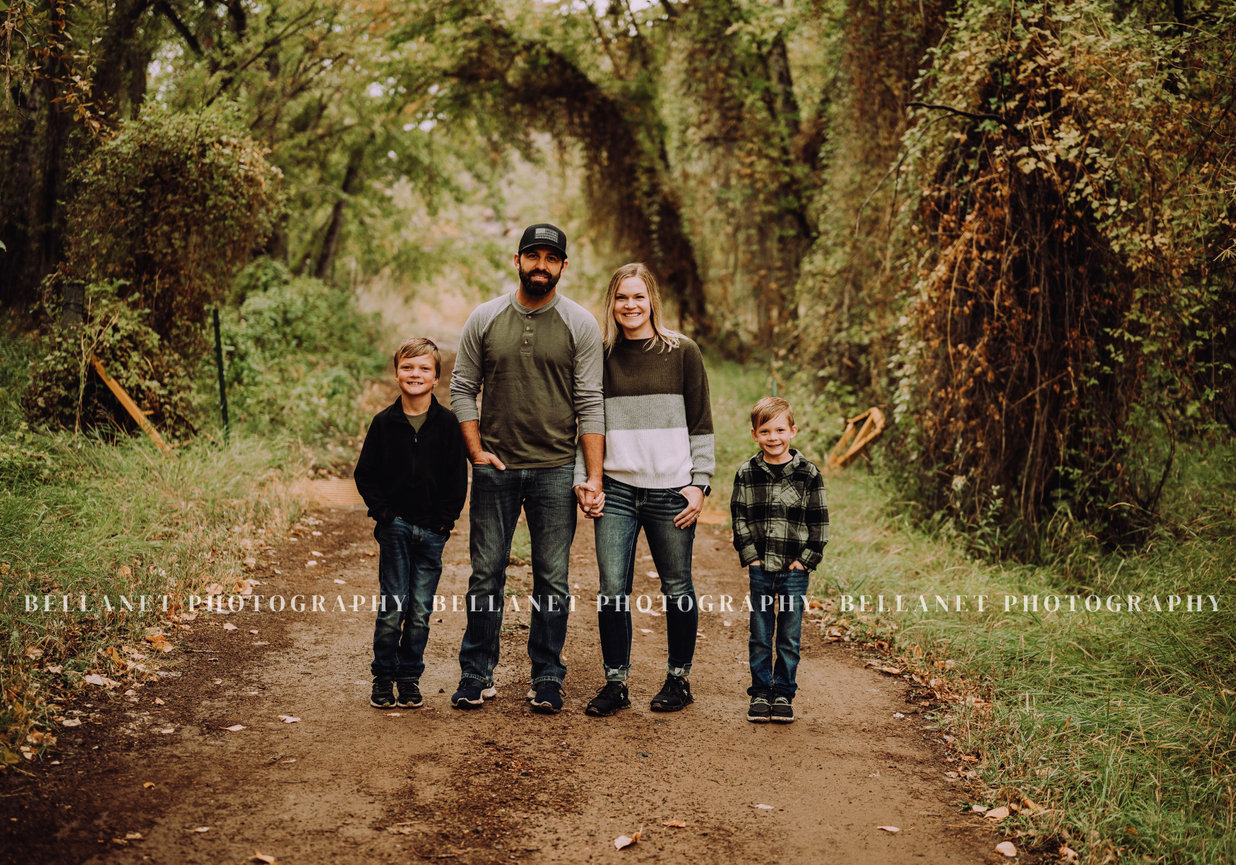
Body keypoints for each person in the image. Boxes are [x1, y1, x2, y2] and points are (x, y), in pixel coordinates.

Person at [449, 223, 605, 714]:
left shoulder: (580, 323)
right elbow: (461, 387)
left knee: (552, 577)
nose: (541, 265)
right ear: (516, 261)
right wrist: (476, 451)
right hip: (495, 467)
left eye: (550, 258)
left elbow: (591, 402)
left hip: (556, 469)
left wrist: (592, 475)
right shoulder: (485, 317)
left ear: (562, 266)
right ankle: (476, 674)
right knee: (485, 574)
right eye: (532, 256)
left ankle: (547, 676)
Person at [581, 262, 714, 717]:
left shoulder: (682, 351)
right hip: (616, 490)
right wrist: (588, 477)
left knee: (677, 585)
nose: (630, 306)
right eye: (621, 298)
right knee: (611, 588)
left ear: (652, 300)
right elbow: (589, 421)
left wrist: (700, 485)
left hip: (670, 491)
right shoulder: (600, 355)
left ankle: (679, 679)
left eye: (638, 297)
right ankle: (615, 683)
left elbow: (701, 422)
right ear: (611, 304)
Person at [354, 337, 468, 710]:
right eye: (408, 367)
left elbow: (456, 479)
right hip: (396, 529)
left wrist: (443, 522)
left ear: (436, 377)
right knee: (392, 608)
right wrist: (384, 513)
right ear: (397, 372)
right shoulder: (384, 423)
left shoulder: (447, 424)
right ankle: (383, 677)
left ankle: (409, 678)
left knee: (419, 611)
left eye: (424, 369)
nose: (415, 374)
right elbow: (365, 475)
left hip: (431, 534)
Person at [730, 396, 829, 724]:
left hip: (794, 570)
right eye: (765, 431)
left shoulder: (808, 474)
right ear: (754, 434)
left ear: (793, 431)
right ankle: (760, 691)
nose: (773, 437)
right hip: (761, 568)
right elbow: (739, 517)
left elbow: (819, 521)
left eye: (780, 430)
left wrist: (805, 560)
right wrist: (752, 559)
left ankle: (784, 692)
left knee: (788, 634)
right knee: (760, 633)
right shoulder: (747, 473)